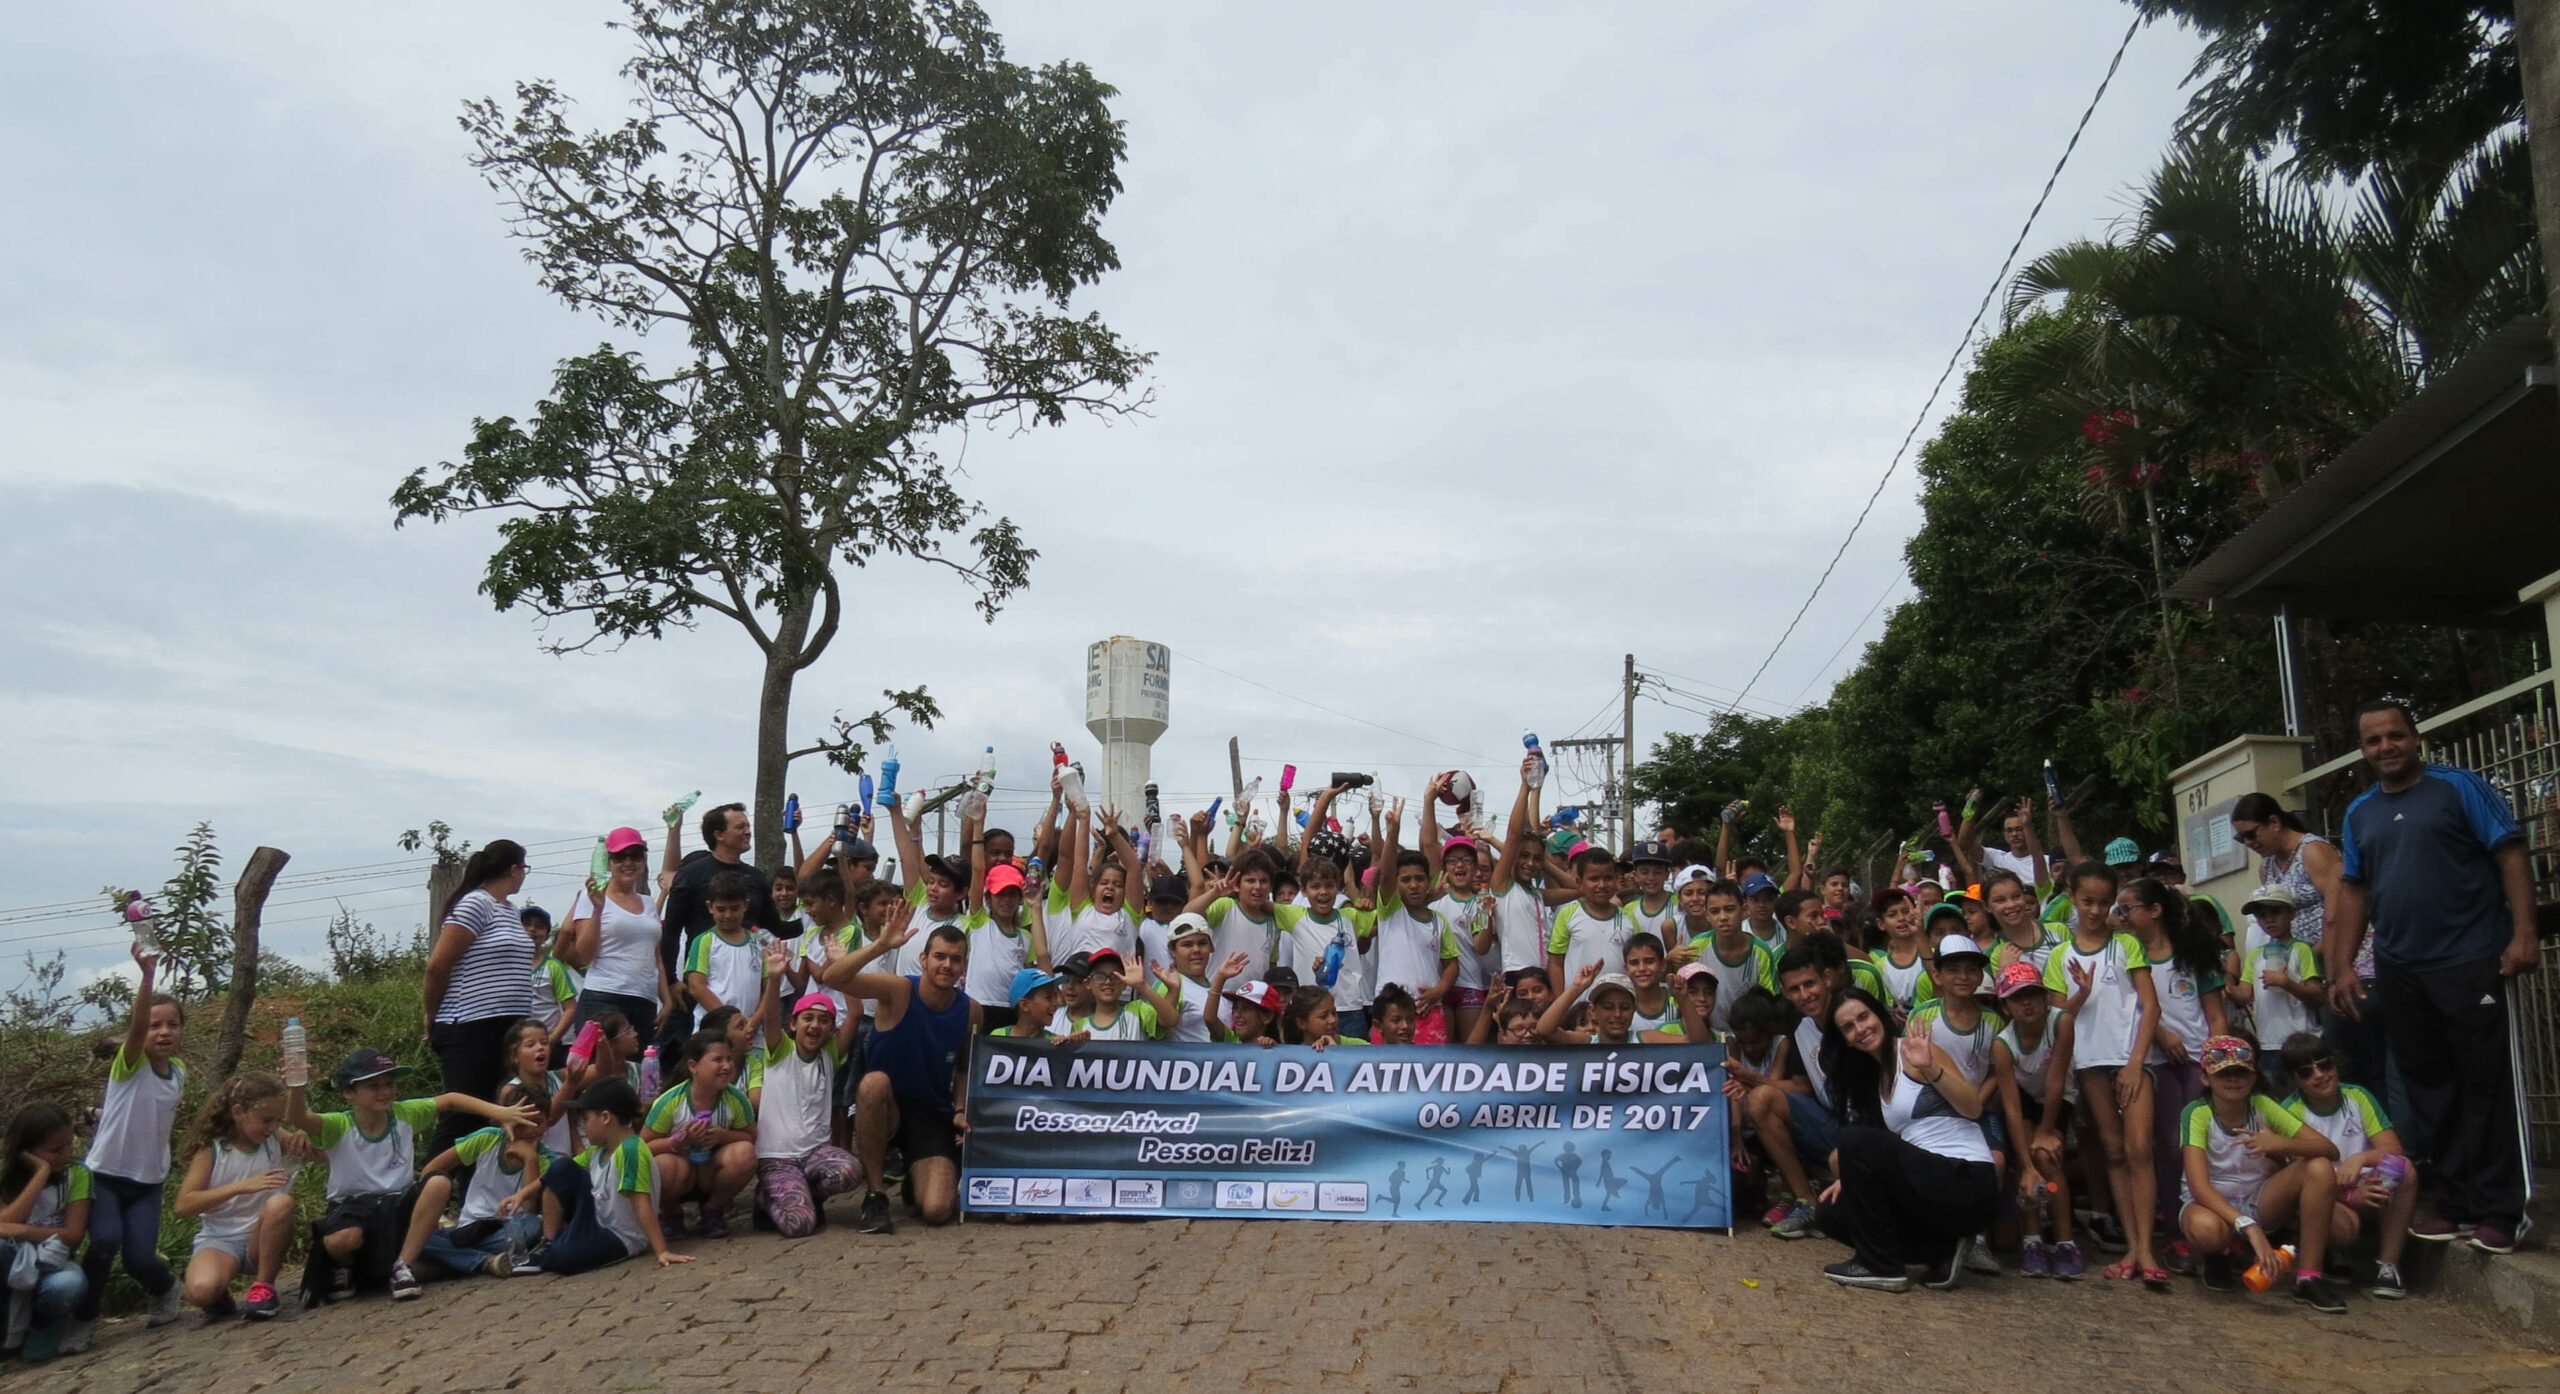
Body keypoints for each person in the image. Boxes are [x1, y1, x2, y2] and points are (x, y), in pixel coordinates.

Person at [2323, 700, 2539, 1253]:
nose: (2385, 747)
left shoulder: (2459, 787)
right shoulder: (2361, 813)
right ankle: (2455, 1202)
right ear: (2363, 750)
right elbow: (2353, 889)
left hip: (2470, 959)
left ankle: (2502, 1209)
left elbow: (2511, 853)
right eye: (2373, 741)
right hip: (2401, 969)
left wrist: (2523, 933)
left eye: (2395, 736)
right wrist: (2342, 965)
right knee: (2428, 1089)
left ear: (2416, 739)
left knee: (2484, 1084)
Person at [286, 1048, 532, 1304]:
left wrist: (500, 1112)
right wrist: (297, 1086)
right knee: (344, 1240)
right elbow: (298, 1117)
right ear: (350, 1092)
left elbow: (450, 1100)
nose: (385, 1091)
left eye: (389, 1084)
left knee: (438, 1181)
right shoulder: (338, 1124)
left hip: (398, 1204)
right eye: (374, 1085)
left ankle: (402, 1266)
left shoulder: (404, 1113)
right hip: (353, 1207)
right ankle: (345, 1269)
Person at [1809, 987, 1997, 1292]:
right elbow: (1885, 1152)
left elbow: (1973, 1108)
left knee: (1853, 1140)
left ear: (1878, 1014)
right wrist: (1856, 1176)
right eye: (1849, 1027)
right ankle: (1940, 1251)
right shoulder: (1871, 1079)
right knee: (1831, 1214)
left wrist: (1931, 1068)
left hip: (1966, 1178)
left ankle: (1880, 1266)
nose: (1861, 1029)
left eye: (1864, 1017)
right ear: (1843, 1039)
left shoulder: (1913, 1053)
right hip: (1927, 1188)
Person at [2037, 860, 2167, 1286]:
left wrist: (2135, 1063)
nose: (2095, 911)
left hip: (2133, 1063)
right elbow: (2060, 1021)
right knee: (2112, 1152)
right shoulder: (2059, 956)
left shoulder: (2127, 945)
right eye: (2087, 901)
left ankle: (2146, 1248)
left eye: (2104, 902)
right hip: (2090, 1065)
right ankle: (2132, 1247)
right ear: (2071, 897)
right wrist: (2082, 994)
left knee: (2139, 1149)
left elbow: (2151, 1007)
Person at [823, 906, 978, 1233]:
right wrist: (881, 945)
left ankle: (914, 1176)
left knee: (937, 1210)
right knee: (872, 1083)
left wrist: (961, 1107)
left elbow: (964, 1066)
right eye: (939, 956)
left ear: (964, 966)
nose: (947, 965)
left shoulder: (971, 1011)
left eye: (956, 959)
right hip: (885, 1107)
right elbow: (833, 977)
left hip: (931, 1113)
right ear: (924, 959)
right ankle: (876, 1194)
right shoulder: (898, 990)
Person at [2176, 1037, 2348, 1312]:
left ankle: (2309, 1276)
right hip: (2211, 1205)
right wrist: (2249, 1227)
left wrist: (2279, 1144)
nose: (2233, 1080)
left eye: (2241, 1072)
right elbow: (2199, 1187)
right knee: (2207, 1231)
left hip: (2259, 1199)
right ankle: (2217, 1256)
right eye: (2224, 1073)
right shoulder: (2196, 1113)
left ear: (2253, 1076)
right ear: (2206, 1079)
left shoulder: (2262, 1105)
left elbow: (2328, 1149)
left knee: (2318, 1167)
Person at [73, 944, 185, 1344]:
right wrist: (148, 976)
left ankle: (165, 1287)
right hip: (105, 1174)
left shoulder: (179, 1073)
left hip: (148, 1180)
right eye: (156, 1025)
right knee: (103, 1243)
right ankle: (83, 1319)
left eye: (172, 1024)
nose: (164, 1032)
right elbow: (135, 1031)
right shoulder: (129, 1064)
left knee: (139, 1258)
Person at [2277, 1033, 2419, 1299]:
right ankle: (2326, 1253)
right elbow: (2303, 1176)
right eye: (2307, 1072)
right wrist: (2352, 1194)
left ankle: (2389, 1266)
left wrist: (2361, 1159)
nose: (2319, 1075)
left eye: (2325, 1065)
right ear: (2295, 1079)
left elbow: (2393, 1149)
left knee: (2405, 1169)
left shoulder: (2358, 1096)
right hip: (2328, 1195)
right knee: (2345, 1229)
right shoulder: (2289, 1111)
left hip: (2365, 1183)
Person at [2124, 876, 2229, 1237]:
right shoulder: (2127, 955)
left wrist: (2216, 1065)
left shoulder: (2193, 952)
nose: (2120, 916)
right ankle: (2176, 1227)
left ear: (2155, 910)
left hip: (2199, 1062)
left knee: (2204, 1144)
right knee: (2168, 1145)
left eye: (2128, 909)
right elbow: (2131, 1010)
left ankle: (2219, 1225)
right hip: (2154, 1064)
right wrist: (2161, 1035)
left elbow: (2215, 1016)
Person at [424, 840, 540, 1153]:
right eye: (524, 869)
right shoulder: (475, 903)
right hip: (471, 1024)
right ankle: (431, 1192)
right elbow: (438, 966)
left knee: (496, 1112)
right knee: (464, 1116)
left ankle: (474, 1192)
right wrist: (431, 1015)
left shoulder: (510, 910)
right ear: (515, 869)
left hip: (507, 1026)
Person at [531, 1078, 691, 1275]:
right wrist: (522, 1195)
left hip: (621, 1236)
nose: (583, 1126)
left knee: (561, 1259)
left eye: (586, 1119)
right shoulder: (598, 1150)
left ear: (605, 1117)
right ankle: (548, 1242)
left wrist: (662, 1251)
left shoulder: (631, 1150)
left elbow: (642, 1204)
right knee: (561, 1167)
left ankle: (555, 1246)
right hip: (596, 1218)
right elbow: (555, 1176)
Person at [173, 1073, 299, 1321]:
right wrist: (240, 1186)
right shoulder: (213, 1149)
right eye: (266, 1120)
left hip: (261, 1236)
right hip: (221, 1239)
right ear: (239, 1112)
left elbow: (313, 1149)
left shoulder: (272, 1137)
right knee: (200, 1291)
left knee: (281, 1203)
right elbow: (183, 1205)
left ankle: (264, 1286)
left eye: (277, 1121)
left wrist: (305, 1138)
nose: (273, 1127)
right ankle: (218, 1294)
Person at [1992, 962, 2081, 1279]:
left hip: (2060, 1096)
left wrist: (2046, 1129)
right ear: (2005, 1005)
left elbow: (2057, 1080)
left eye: (2033, 994)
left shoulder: (2062, 1021)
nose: (2027, 1003)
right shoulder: (2003, 1044)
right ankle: (2032, 1239)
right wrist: (2026, 1160)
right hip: (2026, 1098)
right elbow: (2013, 1107)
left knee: (2047, 1158)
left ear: (2045, 997)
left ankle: (2065, 1241)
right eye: (2017, 998)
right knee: (2027, 1160)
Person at [412, 1080, 550, 1280]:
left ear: (548, 1122)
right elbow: (432, 1169)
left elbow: (529, 1210)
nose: (529, 1129)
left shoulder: (547, 1159)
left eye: (537, 1122)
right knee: (416, 1238)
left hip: (509, 1229)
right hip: (469, 1227)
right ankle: (485, 1261)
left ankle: (456, 1261)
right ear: (506, 1120)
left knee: (532, 1227)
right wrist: (434, 1215)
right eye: (521, 1122)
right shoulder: (487, 1139)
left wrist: (530, 1159)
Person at [752, 992, 862, 1238]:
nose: (815, 1025)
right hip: (778, 1159)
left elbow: (855, 1013)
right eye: (808, 1018)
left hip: (814, 1154)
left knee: (850, 1171)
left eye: (824, 1020)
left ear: (832, 1029)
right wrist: (775, 978)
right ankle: (764, 1198)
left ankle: (807, 1194)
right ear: (793, 1024)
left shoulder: (829, 1055)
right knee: (799, 1224)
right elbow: (770, 1017)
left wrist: (840, 971)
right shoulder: (780, 1050)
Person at [642, 1029, 759, 1240]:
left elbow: (750, 1136)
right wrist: (679, 1142)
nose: (726, 1066)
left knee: (745, 1153)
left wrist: (723, 1136)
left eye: (729, 1059)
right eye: (717, 1060)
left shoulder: (736, 1099)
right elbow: (644, 1145)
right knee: (661, 1166)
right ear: (693, 1066)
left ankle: (712, 1211)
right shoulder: (670, 1101)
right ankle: (670, 1213)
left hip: (711, 1172)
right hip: (680, 1172)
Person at [559, 826, 672, 1037]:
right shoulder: (590, 896)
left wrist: (666, 1001)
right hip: (603, 996)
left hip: (644, 999)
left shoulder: (648, 904)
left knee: (637, 1068)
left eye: (635, 856)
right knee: (598, 1067)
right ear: (610, 862)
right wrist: (598, 910)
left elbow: (655, 958)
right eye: (620, 857)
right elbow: (585, 956)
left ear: (643, 860)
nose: (628, 863)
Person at [0, 1103, 91, 1360]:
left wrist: (21, 1230)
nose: (65, 1153)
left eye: (68, 1145)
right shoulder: (4, 1174)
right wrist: (40, 1174)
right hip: (11, 1258)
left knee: (69, 1286)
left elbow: (72, 1236)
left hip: (54, 1261)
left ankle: (42, 1325)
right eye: (55, 1150)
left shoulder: (78, 1174)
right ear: (26, 1152)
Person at [1273, 853, 1375, 1041]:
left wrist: (1368, 905)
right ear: (1303, 891)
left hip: (1349, 1009)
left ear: (1338, 888)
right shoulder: (1294, 916)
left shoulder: (1351, 916)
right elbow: (1259, 905)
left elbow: (1382, 927)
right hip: (1309, 1013)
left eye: (1329, 885)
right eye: (1315, 886)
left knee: (1354, 1065)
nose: (1323, 892)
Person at [2232, 886, 2322, 1089]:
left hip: (2302, 1041)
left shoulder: (2301, 949)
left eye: (2276, 913)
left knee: (2306, 1094)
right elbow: (2245, 994)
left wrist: (2287, 983)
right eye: (2262, 915)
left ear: (2291, 913)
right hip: (2268, 1043)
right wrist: (2225, 982)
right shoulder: (2255, 955)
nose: (2269, 920)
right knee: (2278, 1097)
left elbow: (2317, 995)